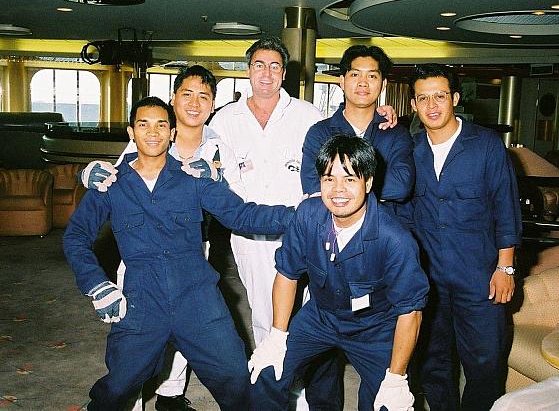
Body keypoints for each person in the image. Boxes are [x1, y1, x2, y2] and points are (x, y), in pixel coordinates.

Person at [64, 95, 294, 411]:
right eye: (143, 125)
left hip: (198, 299)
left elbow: (243, 215)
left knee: (236, 379)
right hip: (142, 300)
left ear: (172, 132)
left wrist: (301, 215)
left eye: (161, 125)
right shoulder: (112, 184)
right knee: (117, 387)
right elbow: (76, 237)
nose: (153, 132)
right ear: (131, 132)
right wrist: (96, 284)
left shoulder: (193, 179)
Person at [209, 37, 397, 409]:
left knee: (311, 314)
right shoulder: (225, 120)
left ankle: (308, 397)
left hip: (305, 232)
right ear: (248, 70)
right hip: (248, 234)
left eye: (275, 66)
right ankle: (279, 388)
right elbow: (198, 152)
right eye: (259, 65)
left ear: (285, 73)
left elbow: (350, 150)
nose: (266, 74)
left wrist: (380, 115)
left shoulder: (307, 115)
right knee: (265, 314)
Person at [79, 65, 244, 411]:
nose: (195, 103)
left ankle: (170, 397)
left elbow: (240, 207)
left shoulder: (219, 147)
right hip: (140, 260)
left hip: (193, 253)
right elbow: (114, 178)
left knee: (201, 346)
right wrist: (86, 173)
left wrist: (218, 180)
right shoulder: (149, 133)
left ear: (213, 104)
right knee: (132, 364)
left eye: (204, 97)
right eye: (187, 94)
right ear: (174, 99)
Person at [248, 134, 429, 411]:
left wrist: (396, 377)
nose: (338, 190)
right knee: (266, 372)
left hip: (375, 328)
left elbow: (411, 312)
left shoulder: (395, 240)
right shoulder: (307, 215)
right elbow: (287, 273)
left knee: (387, 404)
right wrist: (277, 335)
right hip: (320, 316)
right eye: (329, 178)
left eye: (350, 179)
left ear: (368, 182)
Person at [405, 64, 522, 410]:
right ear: (413, 104)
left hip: (480, 277)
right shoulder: (409, 150)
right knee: (432, 364)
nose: (432, 106)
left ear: (455, 98)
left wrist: (506, 267)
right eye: (423, 98)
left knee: (485, 364)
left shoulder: (486, 145)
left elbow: (505, 208)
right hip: (429, 280)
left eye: (440, 96)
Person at [301, 44, 414, 210]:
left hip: (383, 224)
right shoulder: (319, 133)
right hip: (331, 225)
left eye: (372, 76)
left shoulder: (396, 134)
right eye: (355, 74)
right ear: (342, 81)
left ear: (383, 84)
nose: (363, 83)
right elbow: (313, 187)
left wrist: (337, 183)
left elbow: (401, 186)